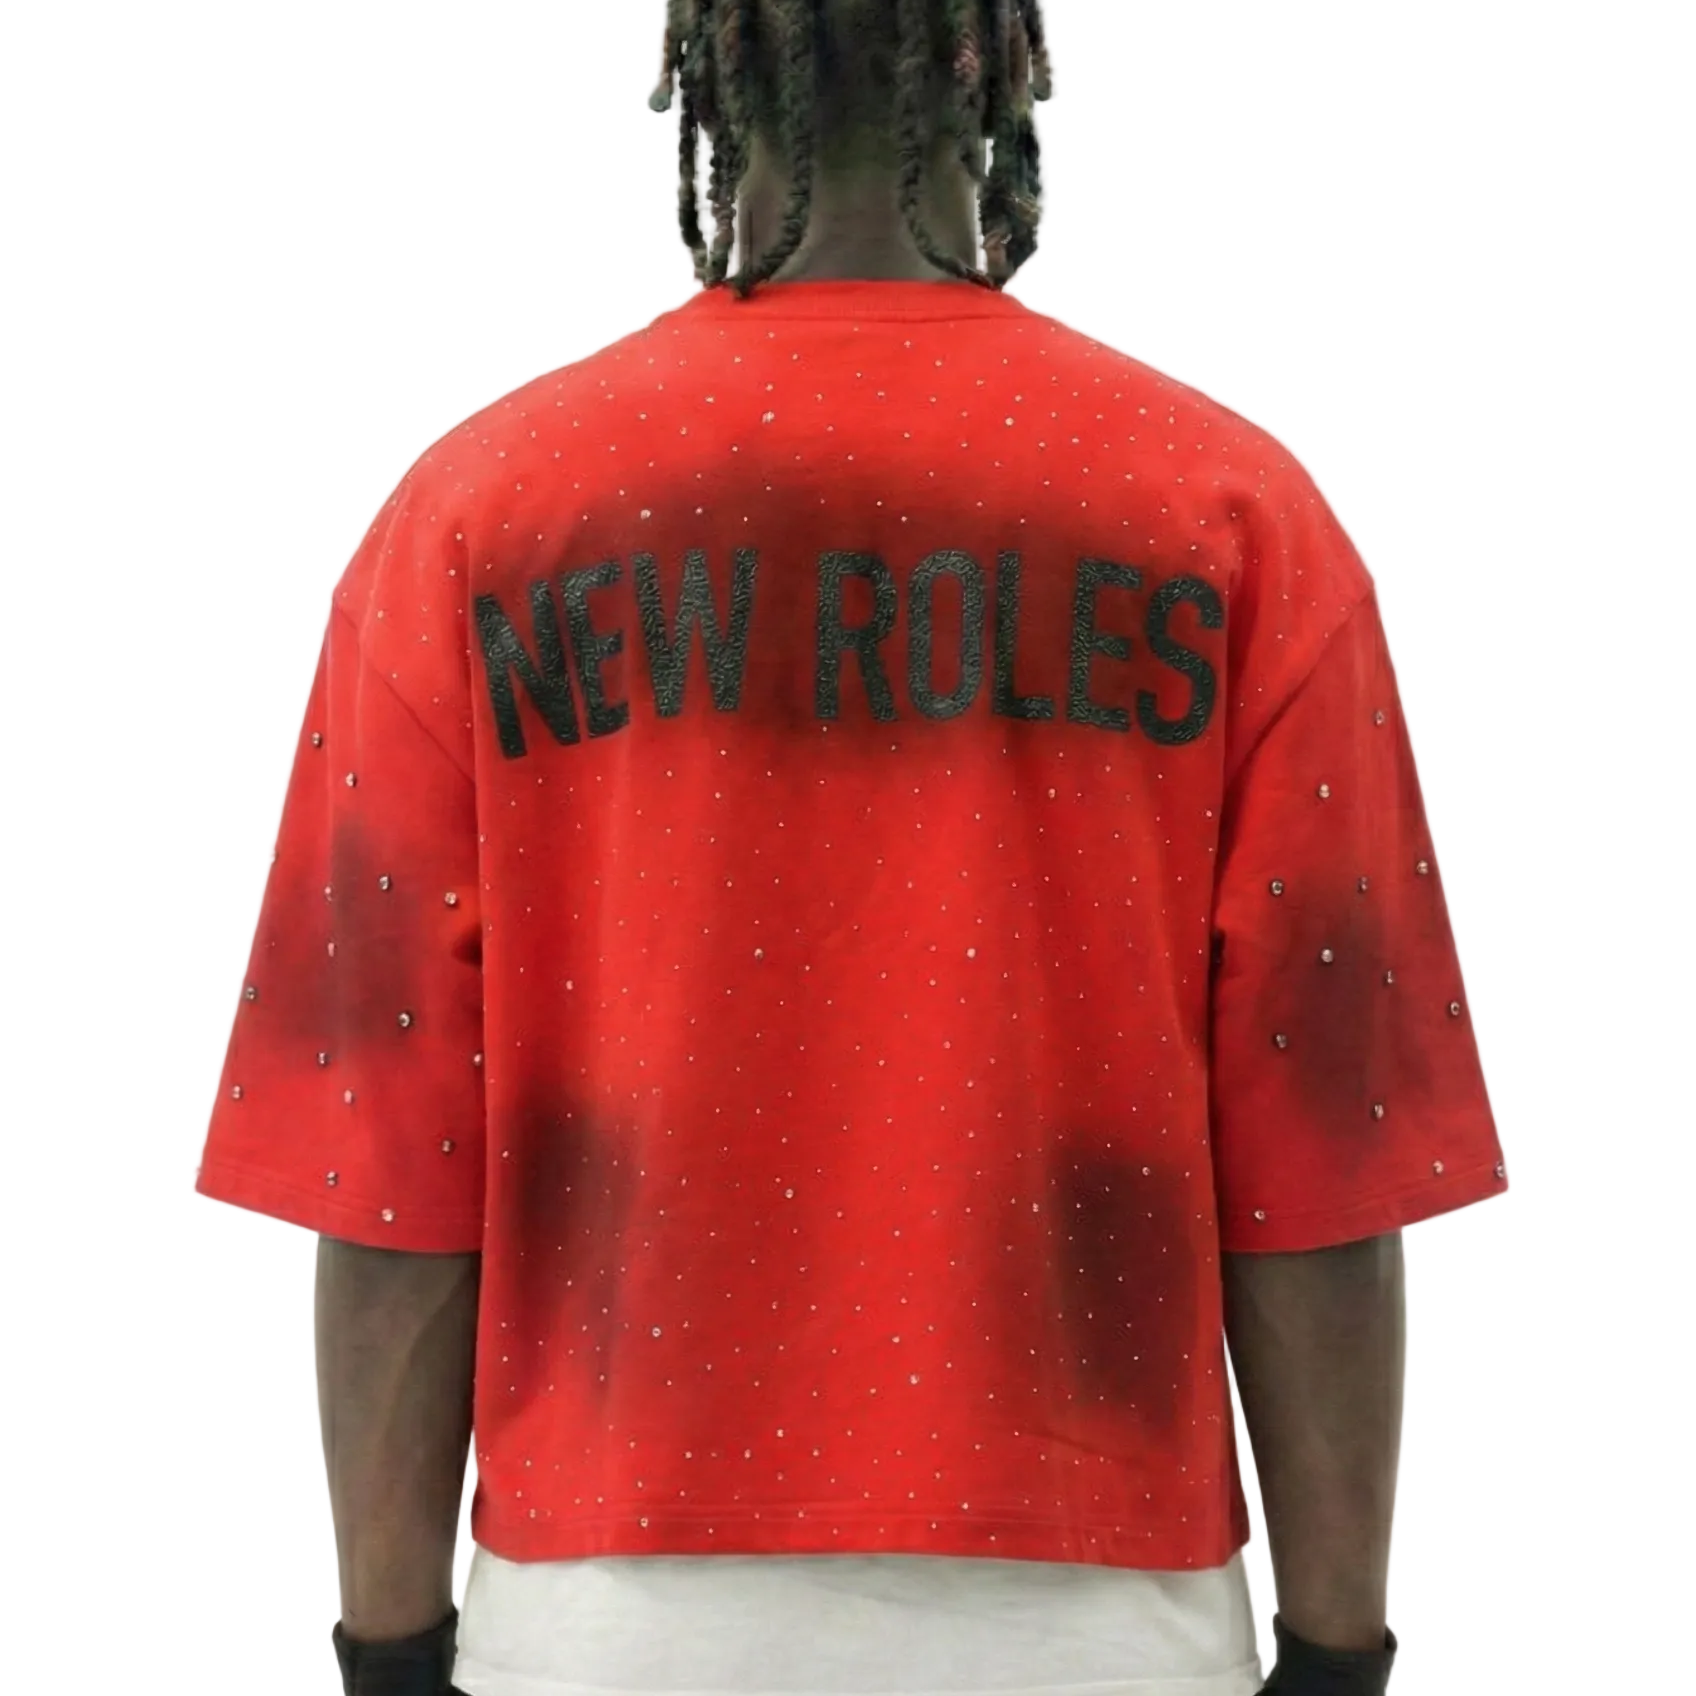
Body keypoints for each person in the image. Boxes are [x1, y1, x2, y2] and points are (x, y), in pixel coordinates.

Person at [193, 4, 1508, 1693]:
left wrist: (387, 1654)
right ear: (994, 62)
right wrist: (1337, 1657)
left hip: (605, 1610)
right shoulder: (1227, 511)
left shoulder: (478, 512)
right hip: (1100, 1608)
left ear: (707, 67)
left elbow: (389, 1166)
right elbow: (1318, 1161)